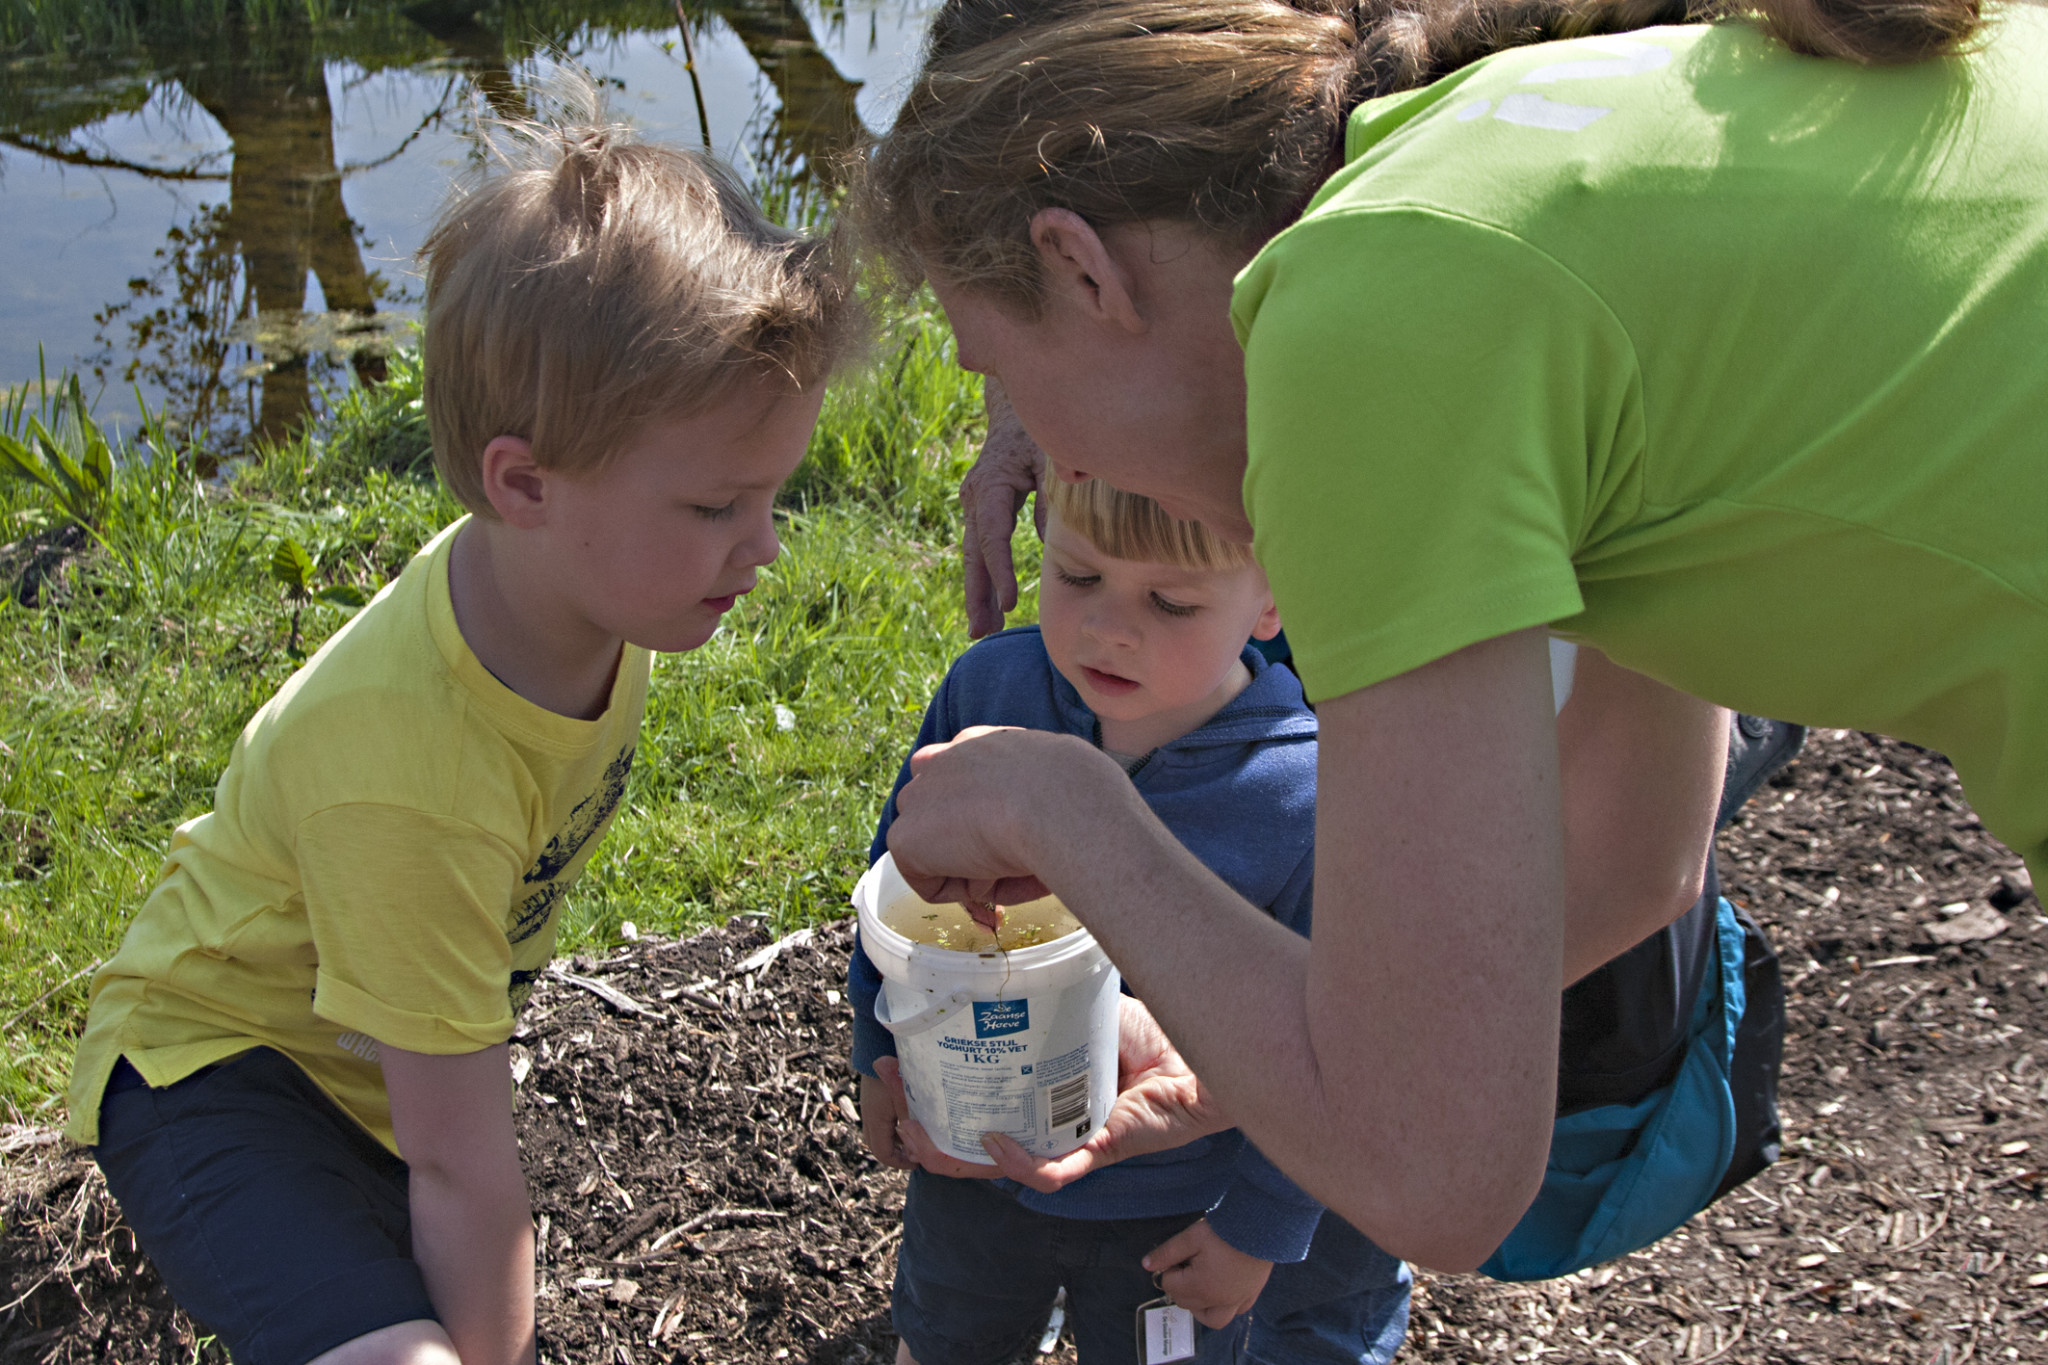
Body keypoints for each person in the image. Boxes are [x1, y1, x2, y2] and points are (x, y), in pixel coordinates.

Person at [853, 0, 2048, 1273]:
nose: (1056, 458)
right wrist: (1238, 1065)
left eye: (1008, 376)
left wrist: (1064, 810)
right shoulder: (1509, 169)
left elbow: (1434, 1177)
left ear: (1082, 269)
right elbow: (1637, 859)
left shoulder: (1366, 311)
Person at [61, 101, 857, 1365]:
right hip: (217, 1081)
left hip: (371, 1065)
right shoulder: (410, 779)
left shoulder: (571, 589)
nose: (762, 547)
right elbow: (460, 1163)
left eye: (774, 493)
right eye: (717, 504)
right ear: (523, 483)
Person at [852, 476, 1410, 1364]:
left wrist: (1259, 1229)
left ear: (1273, 599)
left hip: (1179, 1202)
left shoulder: (1304, 792)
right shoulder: (988, 692)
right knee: (947, 1338)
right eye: (1076, 577)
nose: (1110, 627)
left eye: (1170, 601)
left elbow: (1332, 1047)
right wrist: (872, 1053)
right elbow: (897, 893)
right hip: (976, 1155)